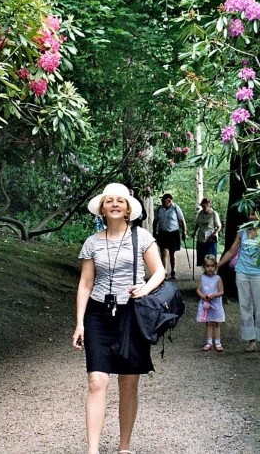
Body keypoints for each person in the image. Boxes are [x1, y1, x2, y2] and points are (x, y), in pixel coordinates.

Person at [73, 183, 166, 454]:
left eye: (120, 201)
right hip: (98, 314)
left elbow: (159, 271)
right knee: (97, 380)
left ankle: (124, 447)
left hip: (131, 314)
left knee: (128, 382)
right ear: (102, 209)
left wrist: (144, 289)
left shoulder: (142, 237)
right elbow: (85, 284)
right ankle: (92, 451)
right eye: (109, 201)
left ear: (127, 209)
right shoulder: (92, 242)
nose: (114, 204)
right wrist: (79, 322)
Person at [218, 211, 260, 352]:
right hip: (242, 273)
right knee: (245, 307)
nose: (252, 217)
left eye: (255, 214)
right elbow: (231, 251)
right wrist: (217, 266)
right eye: (251, 214)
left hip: (259, 274)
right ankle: (250, 341)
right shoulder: (241, 232)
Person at [153, 192, 186, 280]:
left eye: (164, 200)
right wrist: (154, 232)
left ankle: (173, 271)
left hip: (173, 233)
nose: (162, 201)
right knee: (163, 253)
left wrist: (184, 232)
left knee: (172, 252)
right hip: (162, 232)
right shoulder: (159, 209)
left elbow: (182, 220)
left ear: (170, 200)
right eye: (162, 200)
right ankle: (164, 272)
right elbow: (155, 221)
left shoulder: (175, 208)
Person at [196, 255, 225, 351]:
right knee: (208, 323)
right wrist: (203, 296)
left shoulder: (218, 278)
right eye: (208, 266)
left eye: (212, 266)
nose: (210, 268)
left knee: (216, 323)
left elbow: (221, 291)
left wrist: (214, 295)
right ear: (204, 267)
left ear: (215, 267)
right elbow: (198, 289)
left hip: (215, 304)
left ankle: (217, 342)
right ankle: (209, 342)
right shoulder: (202, 278)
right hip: (206, 304)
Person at [193, 198, 222, 264]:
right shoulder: (200, 213)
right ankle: (203, 270)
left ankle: (211, 270)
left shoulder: (214, 213)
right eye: (202, 206)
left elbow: (219, 227)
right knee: (202, 260)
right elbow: (197, 224)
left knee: (210, 260)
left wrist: (214, 234)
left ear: (209, 205)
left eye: (204, 206)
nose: (203, 208)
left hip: (210, 240)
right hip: (200, 239)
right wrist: (194, 232)